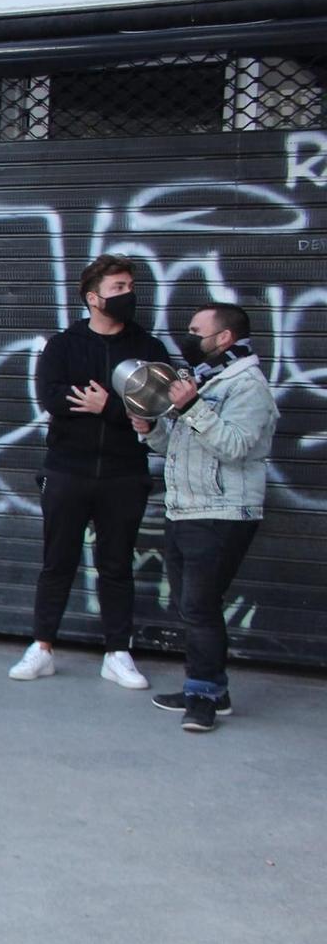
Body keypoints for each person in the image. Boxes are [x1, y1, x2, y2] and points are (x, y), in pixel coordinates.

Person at [9, 255, 175, 687]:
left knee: (117, 565)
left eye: (129, 286)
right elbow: (52, 397)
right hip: (67, 470)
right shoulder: (63, 346)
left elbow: (157, 407)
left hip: (124, 473)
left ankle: (117, 653)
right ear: (93, 298)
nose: (128, 294)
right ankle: (41, 647)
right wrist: (121, 411)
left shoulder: (147, 348)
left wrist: (108, 408)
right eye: (118, 287)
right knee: (57, 562)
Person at [132, 303, 279, 734]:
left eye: (197, 331)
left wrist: (193, 405)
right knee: (193, 606)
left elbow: (234, 447)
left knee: (198, 607)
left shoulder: (249, 387)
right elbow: (181, 447)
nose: (188, 337)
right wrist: (151, 430)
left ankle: (202, 698)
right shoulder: (209, 380)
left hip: (223, 512)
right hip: (187, 509)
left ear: (224, 338)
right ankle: (212, 686)